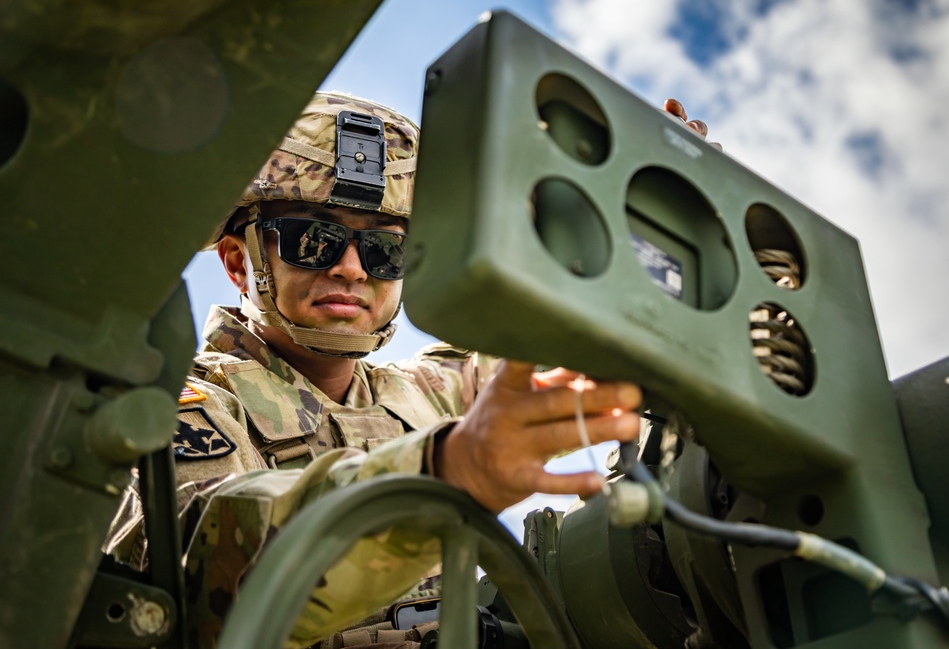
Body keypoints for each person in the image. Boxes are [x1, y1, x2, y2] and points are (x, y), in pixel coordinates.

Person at [108, 91, 715, 648]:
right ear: (240, 264)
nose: (350, 268)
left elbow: (568, 327)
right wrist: (445, 469)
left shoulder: (422, 394)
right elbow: (196, 568)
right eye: (312, 240)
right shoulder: (180, 407)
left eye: (384, 249)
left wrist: (642, 226)